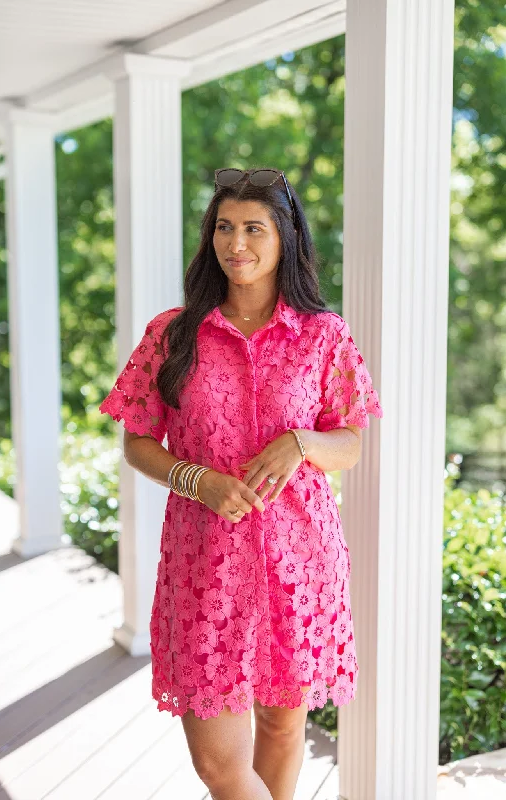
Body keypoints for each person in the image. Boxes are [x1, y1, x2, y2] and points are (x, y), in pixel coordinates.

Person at [99, 166, 383, 800]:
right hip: (206, 565)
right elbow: (137, 439)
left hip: (300, 564)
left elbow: (352, 442)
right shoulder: (173, 334)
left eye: (254, 228)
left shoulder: (323, 337)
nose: (237, 244)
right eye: (224, 227)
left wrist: (302, 443)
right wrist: (196, 480)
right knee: (219, 765)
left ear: (285, 239)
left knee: (283, 731)